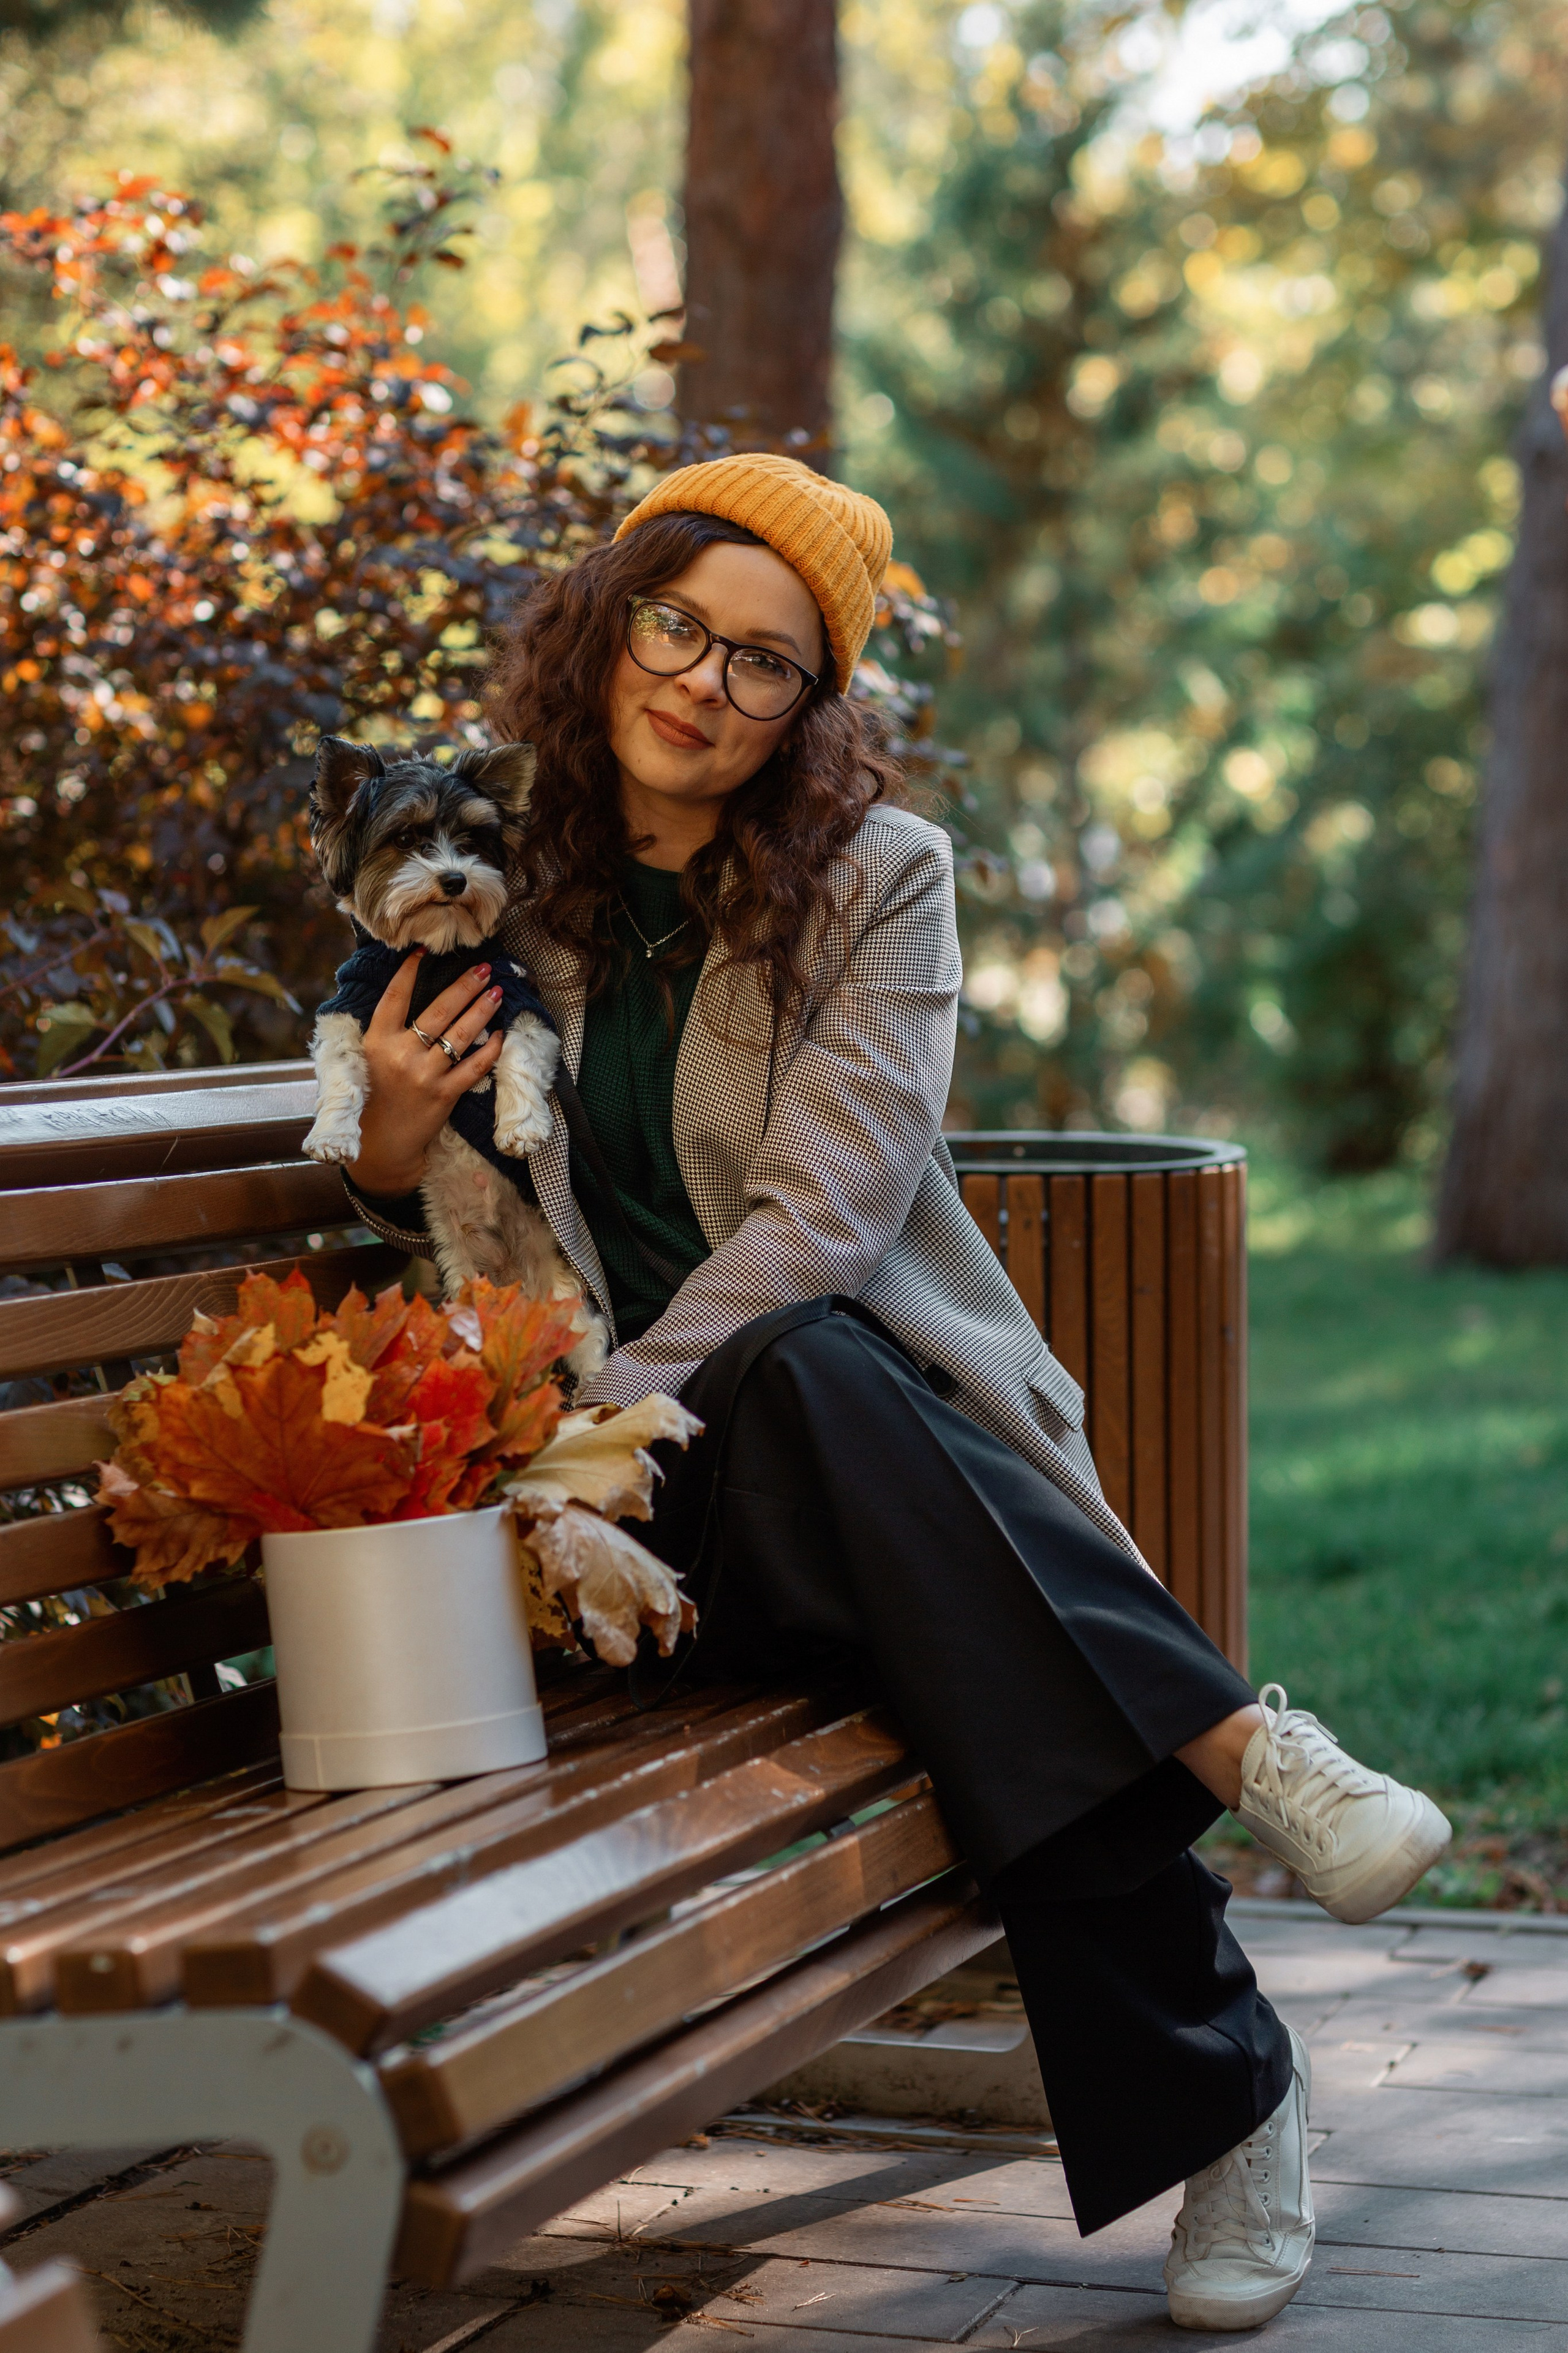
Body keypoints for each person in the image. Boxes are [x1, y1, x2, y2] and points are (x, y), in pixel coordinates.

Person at [334, 453, 1450, 2334]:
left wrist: (625, 1426)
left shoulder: (878, 881)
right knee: (906, 1516)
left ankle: (1236, 2068)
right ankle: (1239, 1806)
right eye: (679, 626)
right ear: (612, 627)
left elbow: (824, 1223)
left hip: (829, 1450)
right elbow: (417, 1197)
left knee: (814, 1368)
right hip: (609, 1532)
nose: (705, 682)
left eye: (766, 664)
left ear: (808, 709)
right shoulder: (491, 872)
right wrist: (382, 1144)